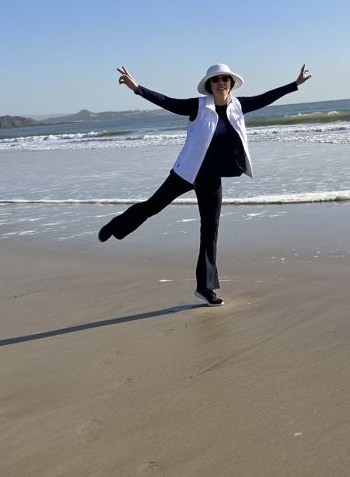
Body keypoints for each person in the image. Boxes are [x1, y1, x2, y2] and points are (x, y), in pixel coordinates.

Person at [98, 62, 311, 307]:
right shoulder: (197, 106)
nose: (221, 83)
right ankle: (117, 226)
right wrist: (137, 88)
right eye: (216, 80)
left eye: (225, 79)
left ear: (231, 83)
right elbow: (167, 102)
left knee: (210, 231)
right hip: (187, 172)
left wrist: (295, 84)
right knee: (153, 206)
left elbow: (267, 97)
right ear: (209, 85)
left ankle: (205, 288)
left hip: (211, 177)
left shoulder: (239, 106)